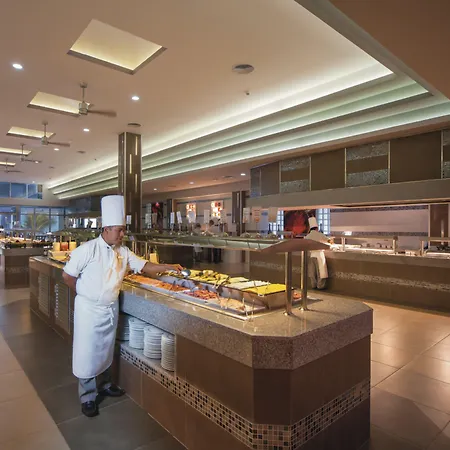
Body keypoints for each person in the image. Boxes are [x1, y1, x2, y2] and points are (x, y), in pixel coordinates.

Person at [62, 195, 182, 418]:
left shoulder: (123, 251)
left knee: (106, 349)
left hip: (110, 309)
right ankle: (87, 397)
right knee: (87, 353)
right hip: (89, 311)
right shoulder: (87, 250)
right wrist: (85, 293)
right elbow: (67, 276)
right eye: (119, 230)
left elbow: (145, 266)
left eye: (123, 230)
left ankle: (105, 385)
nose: (122, 234)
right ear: (106, 229)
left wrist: (169, 267)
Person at [305, 215, 329, 290]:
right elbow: (329, 241)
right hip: (319, 255)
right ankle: (320, 286)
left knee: (312, 272)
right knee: (321, 272)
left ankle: (313, 285)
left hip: (312, 255)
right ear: (317, 228)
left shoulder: (308, 236)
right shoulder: (320, 234)